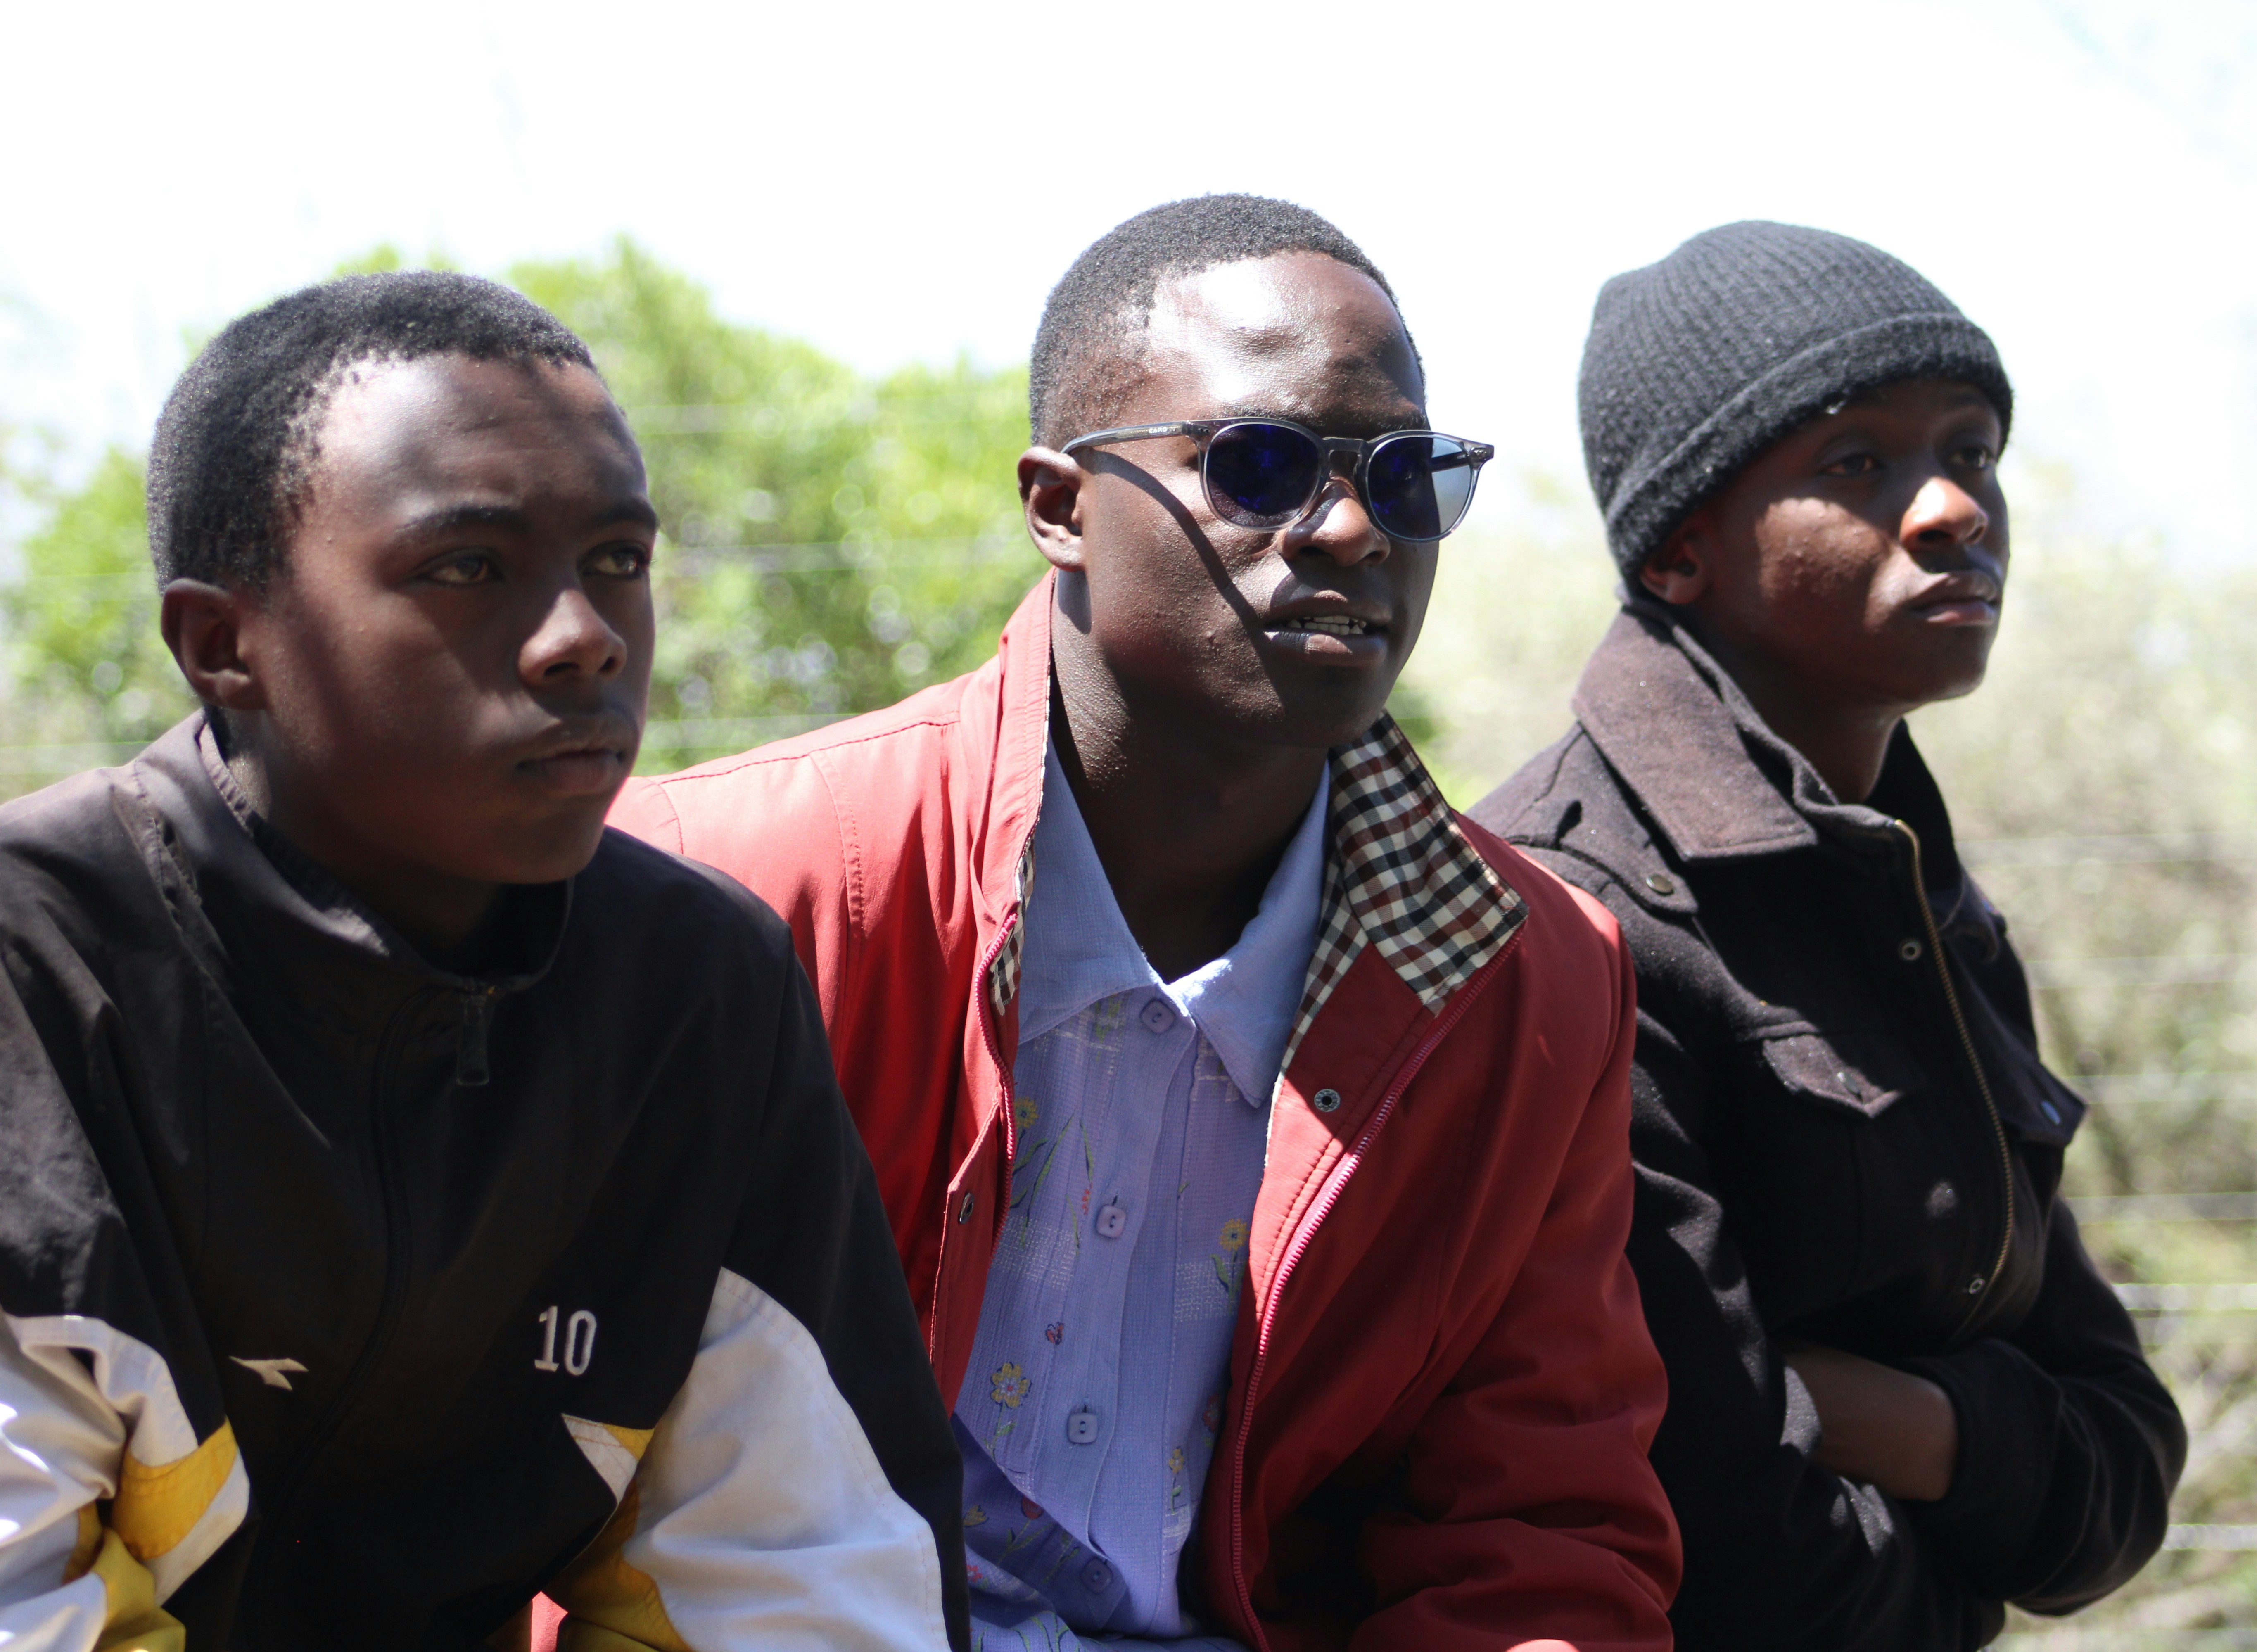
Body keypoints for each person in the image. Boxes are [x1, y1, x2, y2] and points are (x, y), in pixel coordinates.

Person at [0, 272, 965, 1652]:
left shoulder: (694, 991)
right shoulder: (7, 968)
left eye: (619, 561)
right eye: (469, 567)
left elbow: (801, 1585)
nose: (584, 637)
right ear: (225, 648)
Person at [608, 195, 1680, 1652]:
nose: (1358, 528)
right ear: (1060, 508)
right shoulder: (731, 892)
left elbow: (1536, 1528)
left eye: (1408, 473)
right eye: (1260, 465)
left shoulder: (1530, 977)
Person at [1473, 221, 2186, 1649]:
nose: (1953, 511)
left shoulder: (1926, 904)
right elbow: (1725, 1525)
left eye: (1972, 449)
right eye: (1858, 465)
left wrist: (1916, 1426)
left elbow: (2126, 1463)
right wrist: (1966, 1550)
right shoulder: (1573, 911)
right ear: (1681, 551)